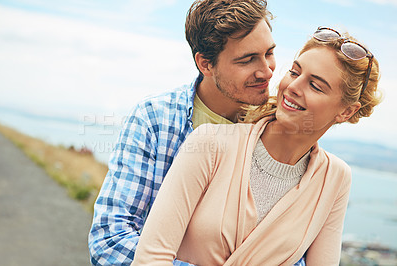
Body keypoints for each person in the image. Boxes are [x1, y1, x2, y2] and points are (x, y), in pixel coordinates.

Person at [132, 27, 382, 265]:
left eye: (315, 85)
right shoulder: (210, 142)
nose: (292, 87)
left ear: (346, 111)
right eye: (294, 73)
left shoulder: (335, 178)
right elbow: (150, 258)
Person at [88, 0, 278, 265]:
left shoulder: (279, 127)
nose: (267, 70)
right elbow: (110, 240)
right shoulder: (154, 118)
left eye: (269, 53)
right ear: (206, 64)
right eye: (247, 59)